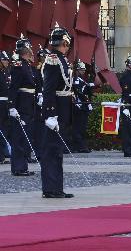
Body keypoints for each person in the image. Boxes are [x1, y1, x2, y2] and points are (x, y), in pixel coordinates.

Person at [39, 25, 75, 198]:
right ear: (64, 42)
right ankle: (50, 188)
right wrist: (50, 113)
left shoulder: (61, 58)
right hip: (55, 109)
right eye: (67, 44)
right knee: (51, 149)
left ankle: (56, 187)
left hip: (62, 106)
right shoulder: (53, 59)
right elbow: (49, 89)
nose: (67, 47)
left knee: (57, 149)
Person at [8, 36, 37, 176]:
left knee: (25, 136)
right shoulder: (19, 65)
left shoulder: (26, 65)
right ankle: (18, 168)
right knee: (19, 137)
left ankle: (23, 166)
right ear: (25, 49)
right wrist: (12, 106)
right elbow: (14, 88)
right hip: (21, 106)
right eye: (30, 48)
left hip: (28, 105)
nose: (32, 51)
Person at [70, 60, 93, 153]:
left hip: (83, 105)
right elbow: (78, 92)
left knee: (82, 127)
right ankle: (79, 146)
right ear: (77, 70)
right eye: (81, 70)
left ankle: (81, 145)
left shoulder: (82, 80)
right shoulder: (75, 80)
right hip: (79, 106)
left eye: (84, 70)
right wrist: (86, 100)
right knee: (78, 127)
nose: (83, 71)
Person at [0, 51, 11, 165]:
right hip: (0, 103)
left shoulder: (5, 73)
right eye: (4, 59)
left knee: (4, 129)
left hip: (5, 104)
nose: (7, 61)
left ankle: (3, 154)